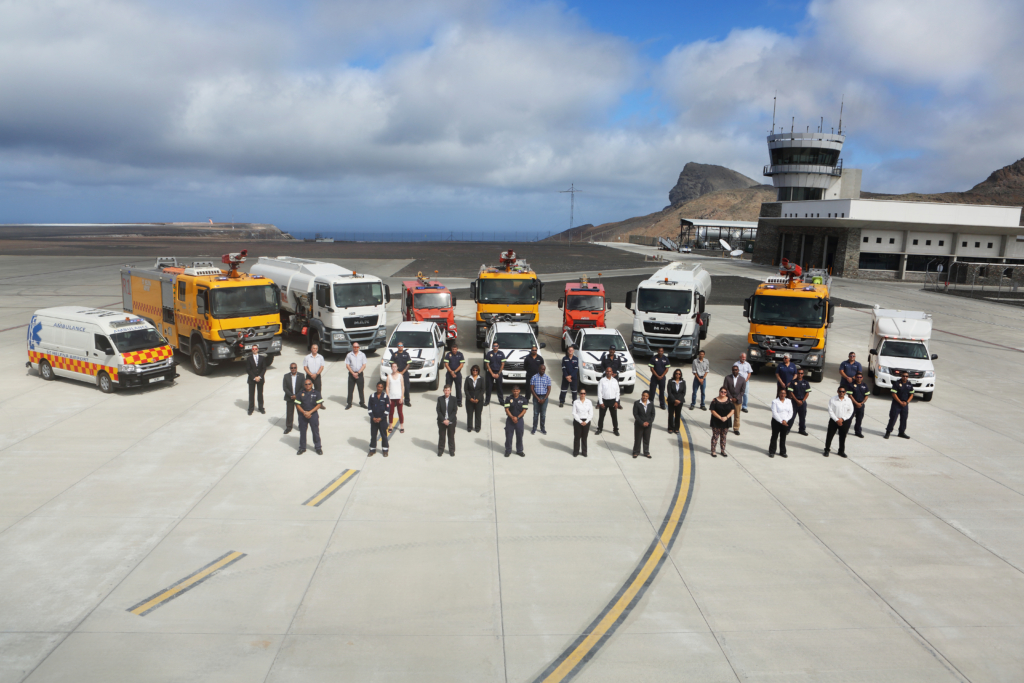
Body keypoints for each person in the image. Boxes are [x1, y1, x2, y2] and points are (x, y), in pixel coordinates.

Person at [294, 377, 323, 455]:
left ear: (312, 384)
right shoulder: (300, 393)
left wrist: (310, 412)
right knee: (302, 432)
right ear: (304, 385)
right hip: (302, 415)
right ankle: (302, 448)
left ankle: (318, 448)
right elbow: (297, 405)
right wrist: (304, 412)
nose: (307, 385)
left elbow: (319, 404)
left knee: (315, 431)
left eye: (309, 384)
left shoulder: (316, 393)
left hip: (313, 415)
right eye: (306, 384)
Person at [824, 385, 854, 457]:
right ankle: (827, 449)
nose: (841, 393)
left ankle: (841, 451)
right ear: (837, 391)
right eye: (840, 391)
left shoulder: (848, 400)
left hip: (844, 421)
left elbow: (850, 411)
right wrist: (837, 420)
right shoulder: (833, 399)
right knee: (830, 436)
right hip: (834, 421)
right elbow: (830, 410)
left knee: (843, 436)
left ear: (845, 392)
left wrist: (842, 419)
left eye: (843, 391)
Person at [884, 371, 914, 439]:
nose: (905, 377)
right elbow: (894, 394)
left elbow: (911, 394)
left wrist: (907, 402)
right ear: (901, 376)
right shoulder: (896, 383)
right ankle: (888, 432)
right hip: (896, 404)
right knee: (893, 418)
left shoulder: (909, 384)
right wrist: (900, 402)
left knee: (904, 419)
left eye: (906, 376)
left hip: (905, 404)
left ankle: (901, 432)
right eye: (903, 376)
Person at [503, 385, 528, 457]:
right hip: (510, 420)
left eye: (517, 391)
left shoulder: (523, 399)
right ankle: (508, 450)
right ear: (512, 391)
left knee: (519, 436)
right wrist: (512, 417)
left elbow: (524, 410)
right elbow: (506, 409)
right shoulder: (508, 399)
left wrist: (517, 417)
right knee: (509, 436)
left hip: (519, 420)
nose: (515, 392)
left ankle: (519, 450)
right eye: (514, 391)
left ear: (519, 391)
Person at [595, 366, 621, 436]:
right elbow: (599, 392)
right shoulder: (602, 380)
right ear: (605, 372)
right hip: (604, 401)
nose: (608, 372)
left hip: (613, 401)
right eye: (607, 371)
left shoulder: (615, 381)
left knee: (614, 416)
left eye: (610, 371)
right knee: (601, 416)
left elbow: (617, 392)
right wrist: (601, 402)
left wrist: (616, 402)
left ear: (612, 372)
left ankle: (615, 429)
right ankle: (599, 429)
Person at [769, 387, 793, 458]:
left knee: (783, 437)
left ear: (786, 394)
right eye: (781, 393)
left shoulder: (788, 401)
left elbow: (791, 412)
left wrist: (785, 420)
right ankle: (772, 451)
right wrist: (781, 421)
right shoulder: (775, 401)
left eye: (784, 393)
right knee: (774, 436)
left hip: (785, 421)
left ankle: (782, 452)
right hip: (776, 421)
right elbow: (774, 412)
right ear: (779, 394)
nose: (783, 394)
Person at [786, 368, 812, 436]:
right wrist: (797, 401)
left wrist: (802, 401)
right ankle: (787, 429)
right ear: (797, 374)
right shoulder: (792, 382)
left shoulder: (806, 382)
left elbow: (807, 393)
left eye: (801, 373)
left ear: (803, 374)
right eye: (799, 373)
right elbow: (791, 392)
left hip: (802, 403)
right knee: (792, 417)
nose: (800, 374)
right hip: (794, 402)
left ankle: (802, 430)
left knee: (802, 417)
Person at [709, 387, 734, 457]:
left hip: (726, 421)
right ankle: (713, 451)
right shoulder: (714, 400)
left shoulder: (729, 400)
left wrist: (726, 417)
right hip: (716, 421)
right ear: (719, 391)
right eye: (722, 391)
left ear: (726, 393)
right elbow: (712, 410)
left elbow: (732, 410)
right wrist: (720, 417)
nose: (723, 393)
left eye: (725, 392)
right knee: (715, 436)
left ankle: (723, 450)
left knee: (723, 436)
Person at [722, 364, 746, 435]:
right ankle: (725, 427)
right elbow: (725, 388)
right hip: (729, 400)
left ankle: (736, 428)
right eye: (733, 370)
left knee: (737, 415)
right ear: (732, 371)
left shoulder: (742, 379)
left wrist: (737, 398)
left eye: (736, 370)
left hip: (738, 401)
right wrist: (731, 398)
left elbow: (742, 391)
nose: (734, 371)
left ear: (738, 370)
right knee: (727, 414)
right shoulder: (727, 378)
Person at [367, 381, 389, 457]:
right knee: (373, 435)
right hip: (374, 421)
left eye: (381, 387)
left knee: (384, 435)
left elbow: (387, 410)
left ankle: (385, 450)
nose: (379, 388)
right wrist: (373, 417)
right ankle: (372, 449)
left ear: (383, 388)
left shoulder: (385, 397)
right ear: (376, 387)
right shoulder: (372, 396)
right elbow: (369, 408)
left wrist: (381, 418)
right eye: (378, 386)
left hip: (382, 421)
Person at [529, 363, 552, 435]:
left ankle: (542, 429)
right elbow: (532, 389)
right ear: (539, 369)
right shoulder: (534, 377)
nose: (543, 370)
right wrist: (538, 398)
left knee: (543, 414)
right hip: (536, 397)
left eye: (544, 369)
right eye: (542, 369)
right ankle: (534, 428)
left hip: (544, 397)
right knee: (536, 414)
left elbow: (549, 389)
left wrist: (544, 398)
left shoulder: (547, 378)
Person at [632, 390, 655, 458]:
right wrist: (642, 423)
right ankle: (636, 452)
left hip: (648, 425)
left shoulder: (651, 403)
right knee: (637, 439)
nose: (644, 397)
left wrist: (649, 422)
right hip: (639, 424)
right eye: (643, 395)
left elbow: (653, 414)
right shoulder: (637, 403)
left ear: (648, 397)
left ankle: (646, 452)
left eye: (646, 396)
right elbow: (635, 414)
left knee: (646, 439)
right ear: (641, 395)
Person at [436, 384, 458, 457]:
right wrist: (443, 420)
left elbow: (455, 411)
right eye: (445, 390)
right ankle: (440, 450)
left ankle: (451, 450)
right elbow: (438, 410)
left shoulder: (454, 399)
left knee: (451, 436)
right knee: (442, 436)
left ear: (450, 391)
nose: (447, 392)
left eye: (448, 390)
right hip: (442, 421)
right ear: (443, 391)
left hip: (451, 421)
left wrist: (448, 420)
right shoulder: (440, 399)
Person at [246, 344, 267, 415]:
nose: (254, 350)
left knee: (260, 394)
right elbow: (248, 369)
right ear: (252, 350)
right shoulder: (249, 358)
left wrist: (259, 376)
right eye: (253, 349)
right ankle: (251, 409)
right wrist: (254, 377)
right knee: (251, 394)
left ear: (258, 349)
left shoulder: (262, 358)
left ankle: (261, 408)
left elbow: (264, 368)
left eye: (255, 348)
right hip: (252, 379)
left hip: (260, 379)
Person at [344, 342, 367, 410]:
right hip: (351, 374)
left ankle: (362, 403)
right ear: (352, 347)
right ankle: (349, 403)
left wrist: (358, 373)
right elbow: (347, 365)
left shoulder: (362, 355)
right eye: (354, 347)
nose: (356, 348)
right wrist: (353, 373)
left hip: (359, 374)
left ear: (359, 347)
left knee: (361, 389)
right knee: (350, 390)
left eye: (357, 347)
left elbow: (364, 365)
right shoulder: (349, 355)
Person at [572, 388, 593, 457]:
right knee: (577, 437)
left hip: (586, 421)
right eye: (581, 393)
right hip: (578, 421)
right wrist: (580, 421)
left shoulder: (589, 402)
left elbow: (591, 413)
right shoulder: (575, 402)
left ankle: (584, 452)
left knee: (584, 437)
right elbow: (574, 413)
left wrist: (586, 422)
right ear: (579, 394)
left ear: (585, 394)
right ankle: (576, 452)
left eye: (584, 393)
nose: (583, 395)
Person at [484, 341, 505, 406]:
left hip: (498, 372)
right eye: (494, 346)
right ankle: (487, 401)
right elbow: (487, 364)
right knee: (489, 387)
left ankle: (501, 401)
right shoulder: (489, 353)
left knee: (499, 387)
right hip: (490, 373)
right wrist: (492, 373)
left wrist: (498, 373)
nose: (495, 347)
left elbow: (502, 364)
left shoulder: (501, 353)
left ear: (498, 346)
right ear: (492, 346)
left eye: (496, 346)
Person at [464, 365, 484, 433]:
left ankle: (477, 427)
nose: (475, 371)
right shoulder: (468, 378)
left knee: (478, 414)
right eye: (473, 370)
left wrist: (478, 398)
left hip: (479, 400)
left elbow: (483, 390)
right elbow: (466, 390)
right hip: (469, 400)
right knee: (469, 414)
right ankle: (469, 427)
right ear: (471, 371)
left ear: (478, 371)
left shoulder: (481, 379)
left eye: (476, 370)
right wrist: (470, 398)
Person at [391, 342, 412, 407]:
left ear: (403, 346)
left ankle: (407, 401)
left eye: (401, 345)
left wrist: (402, 372)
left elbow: (408, 364)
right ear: (397, 346)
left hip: (404, 374)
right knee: (396, 387)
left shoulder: (406, 354)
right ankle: (395, 402)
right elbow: (391, 363)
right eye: (399, 345)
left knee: (406, 387)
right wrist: (396, 372)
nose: (400, 346)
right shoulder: (394, 354)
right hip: (396, 373)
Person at [281, 361, 301, 433]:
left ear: (296, 368)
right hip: (289, 398)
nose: (293, 369)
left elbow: (303, 387)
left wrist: (296, 395)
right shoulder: (286, 376)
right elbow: (285, 387)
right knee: (289, 413)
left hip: (298, 398)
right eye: (292, 368)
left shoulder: (301, 376)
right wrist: (291, 395)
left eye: (294, 367)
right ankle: (289, 427)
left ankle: (301, 426)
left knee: (300, 413)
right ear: (290, 369)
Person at [386, 362, 405, 434]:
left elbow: (402, 386)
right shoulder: (389, 376)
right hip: (391, 397)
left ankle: (401, 426)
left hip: (398, 396)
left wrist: (402, 397)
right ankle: (390, 425)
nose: (394, 368)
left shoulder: (400, 376)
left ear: (397, 368)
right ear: (391, 368)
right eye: (392, 367)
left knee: (400, 412)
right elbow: (387, 387)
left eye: (395, 367)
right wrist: (388, 397)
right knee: (391, 412)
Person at [849, 372, 869, 438]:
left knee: (859, 419)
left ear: (862, 378)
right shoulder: (851, 385)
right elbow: (850, 395)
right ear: (855, 377)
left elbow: (866, 395)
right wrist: (856, 403)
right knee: (849, 419)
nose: (859, 378)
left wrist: (861, 403)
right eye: (857, 377)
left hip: (861, 405)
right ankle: (844, 430)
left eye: (860, 377)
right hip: (852, 405)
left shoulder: (865, 385)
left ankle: (858, 432)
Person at [666, 368, 685, 434]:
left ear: (680, 375)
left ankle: (676, 428)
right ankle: (670, 428)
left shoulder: (683, 382)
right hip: (671, 401)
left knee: (678, 415)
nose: (677, 375)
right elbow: (669, 392)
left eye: (679, 374)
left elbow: (683, 392)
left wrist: (678, 400)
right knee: (671, 414)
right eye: (676, 373)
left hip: (680, 401)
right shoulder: (670, 381)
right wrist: (674, 400)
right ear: (674, 374)